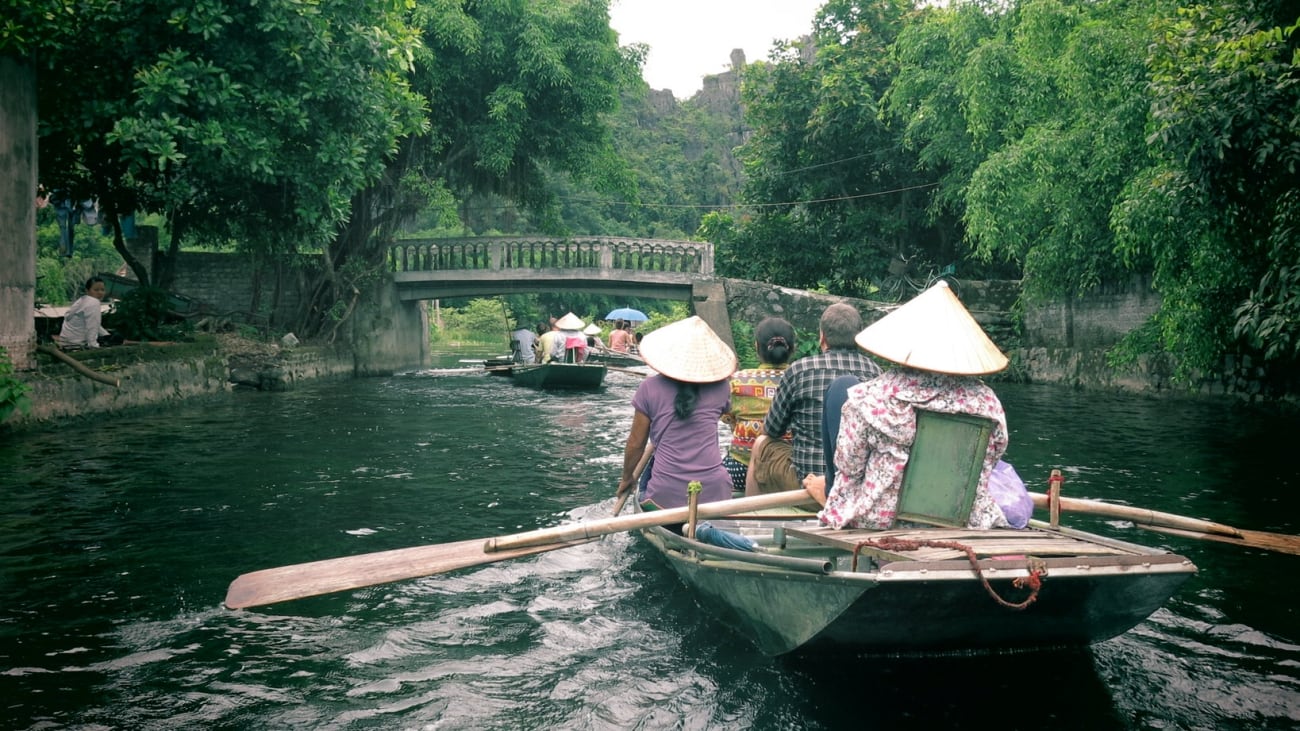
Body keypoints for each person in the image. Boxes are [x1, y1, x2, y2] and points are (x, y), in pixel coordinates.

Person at [804, 281, 1011, 530]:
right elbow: (991, 459)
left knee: (840, 390)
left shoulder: (871, 398)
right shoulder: (987, 403)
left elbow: (850, 466)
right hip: (965, 519)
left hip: (882, 519)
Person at [746, 303, 881, 495]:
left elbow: (772, 430)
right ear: (859, 338)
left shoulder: (800, 370)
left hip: (807, 484)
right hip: (855, 487)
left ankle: (752, 516)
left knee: (762, 443)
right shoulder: (876, 374)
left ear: (822, 337)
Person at [616, 316, 738, 512]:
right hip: (716, 492)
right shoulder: (722, 388)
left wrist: (627, 478)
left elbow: (636, 444)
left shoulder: (649, 388)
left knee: (648, 478)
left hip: (665, 495)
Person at [721, 317, 796, 493]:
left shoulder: (738, 380)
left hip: (740, 469)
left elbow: (726, 417)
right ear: (792, 348)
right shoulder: (802, 379)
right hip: (788, 472)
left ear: (756, 346)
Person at [57, 277, 112, 349]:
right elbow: (92, 327)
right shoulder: (93, 302)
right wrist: (94, 345)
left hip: (65, 342)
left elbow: (95, 324)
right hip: (76, 345)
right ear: (87, 291)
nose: (100, 292)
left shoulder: (81, 300)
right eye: (96, 290)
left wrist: (107, 336)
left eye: (102, 290)